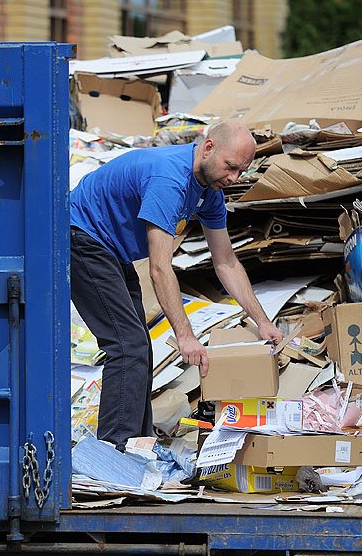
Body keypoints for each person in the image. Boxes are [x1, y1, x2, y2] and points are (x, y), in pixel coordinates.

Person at [70, 121, 283, 450]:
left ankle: (139, 446)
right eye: (230, 167)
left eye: (241, 172)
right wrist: (185, 336)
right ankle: (114, 453)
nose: (233, 179)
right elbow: (159, 267)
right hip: (81, 237)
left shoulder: (209, 193)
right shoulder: (170, 178)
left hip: (110, 249)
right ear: (208, 148)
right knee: (127, 346)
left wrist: (263, 320)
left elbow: (225, 261)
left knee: (138, 347)